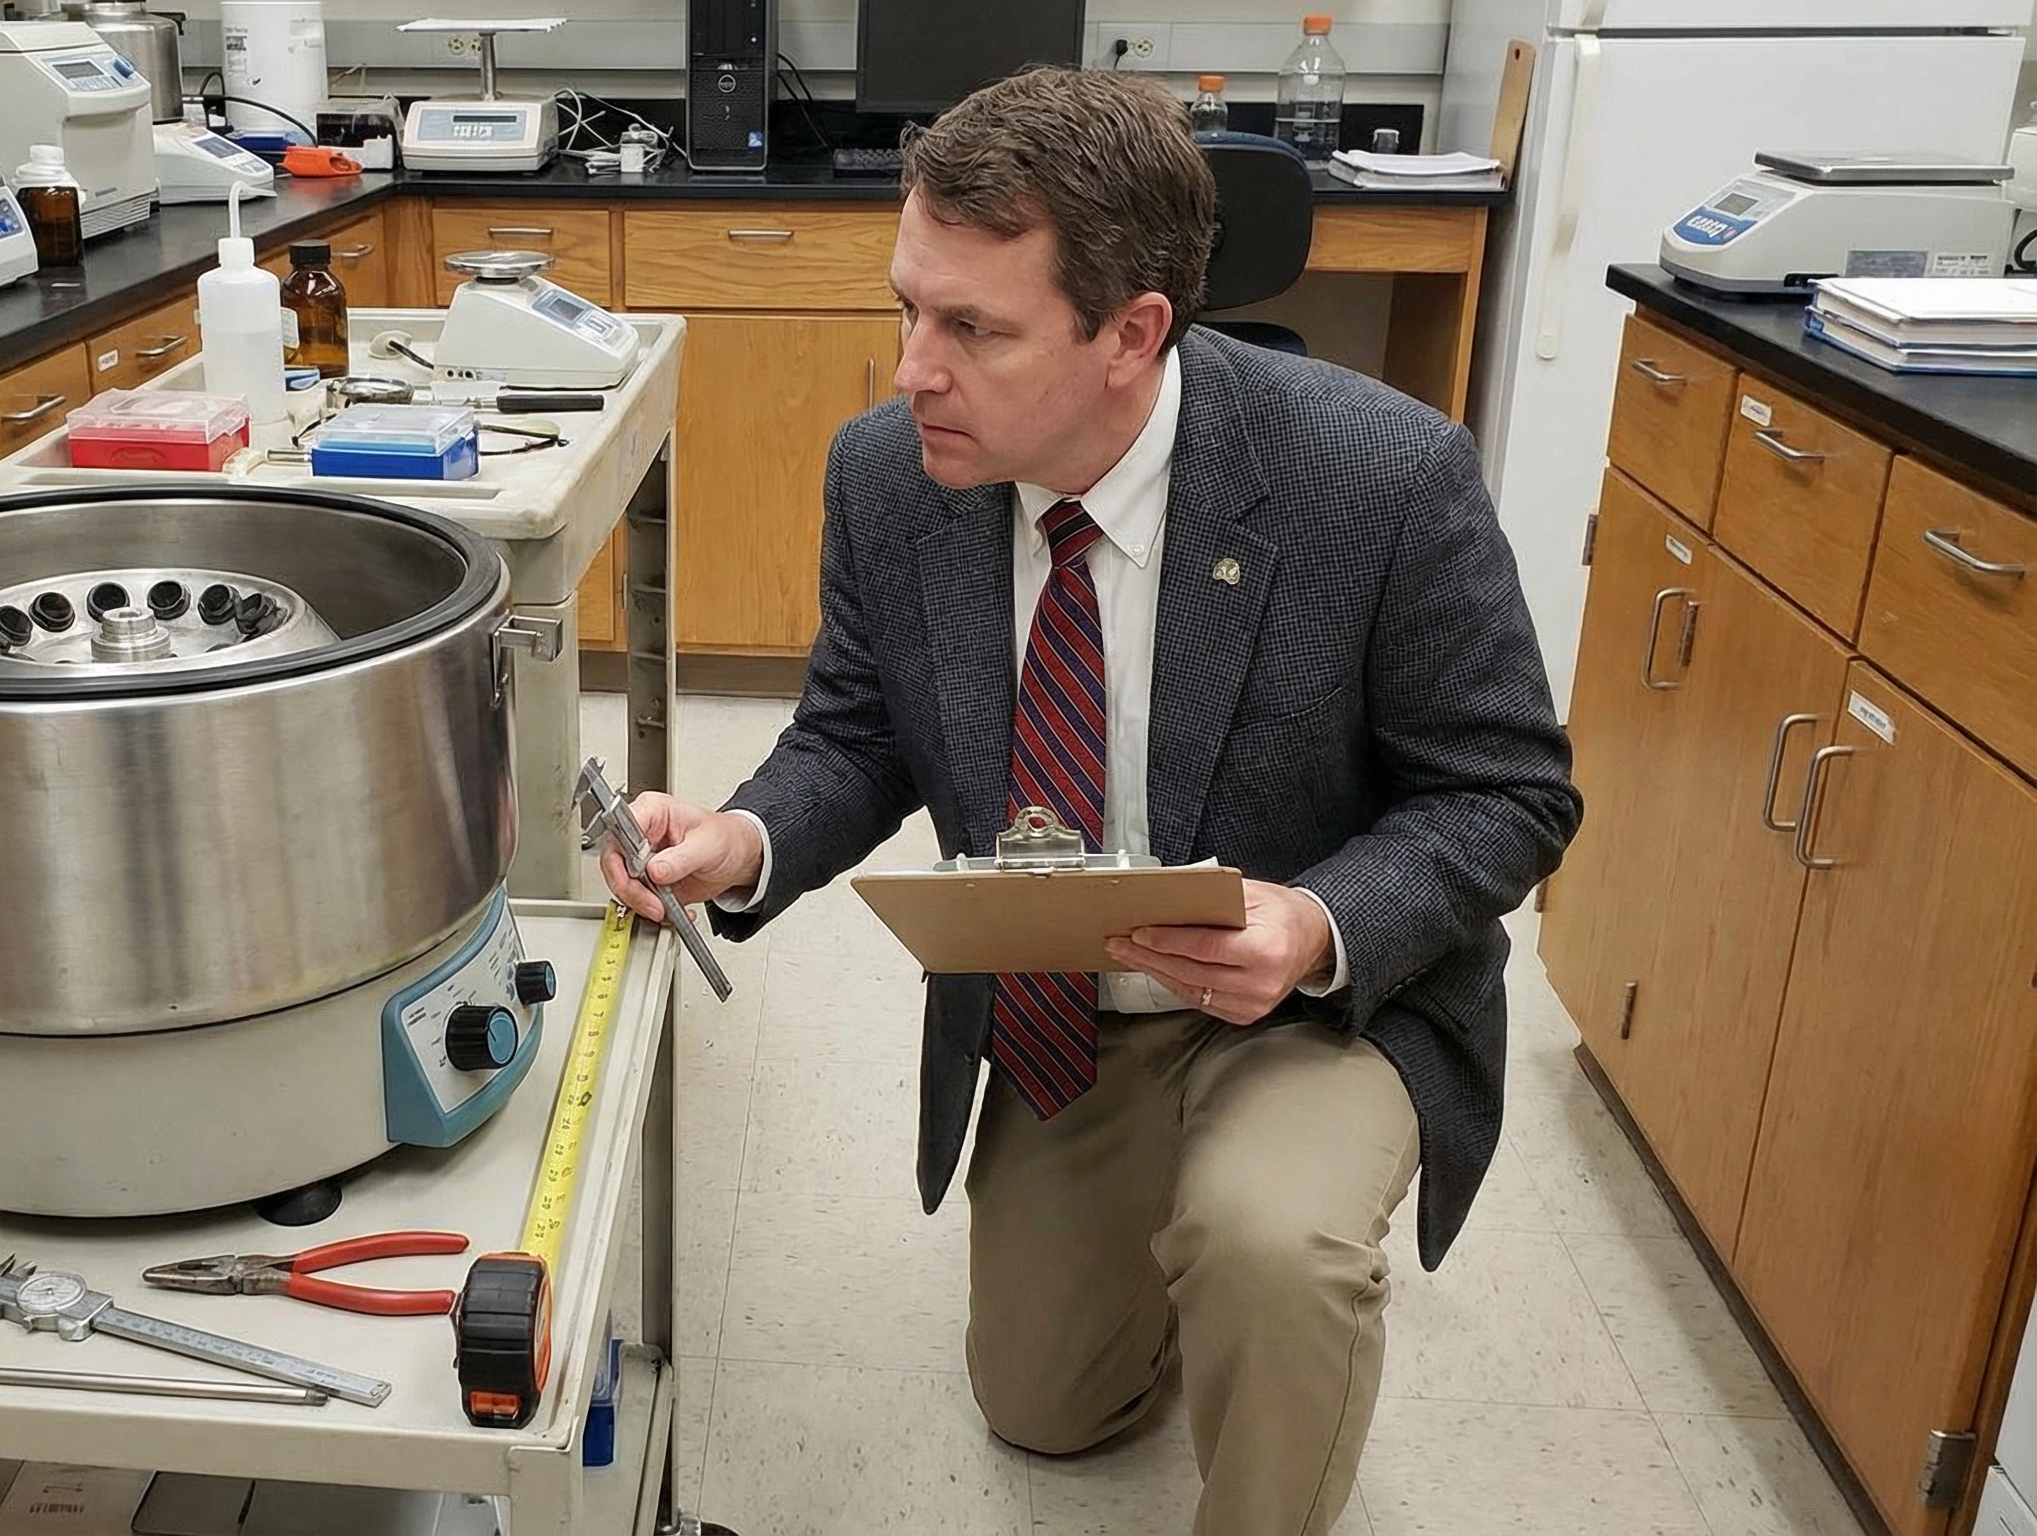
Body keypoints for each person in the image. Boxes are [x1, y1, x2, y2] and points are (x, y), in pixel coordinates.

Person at [598, 68, 1580, 1535]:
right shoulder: (890, 479)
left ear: (1132, 335)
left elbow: (1510, 791)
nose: (910, 370)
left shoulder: (1380, 479)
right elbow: (860, 733)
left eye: (973, 330)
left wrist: (1316, 924)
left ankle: (1257, 1267)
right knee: (1045, 1412)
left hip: (1318, 1003)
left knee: (1273, 1245)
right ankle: (1174, 1242)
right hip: (1072, 1010)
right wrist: (743, 840)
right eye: (908, 309)